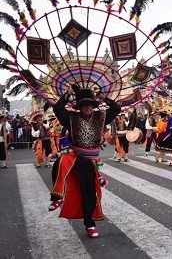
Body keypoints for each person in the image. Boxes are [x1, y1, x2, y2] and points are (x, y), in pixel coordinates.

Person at [50, 84, 121, 238]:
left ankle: (89, 223)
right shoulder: (71, 118)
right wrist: (67, 94)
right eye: (84, 105)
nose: (88, 108)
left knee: (88, 192)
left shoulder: (101, 117)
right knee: (59, 164)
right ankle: (57, 197)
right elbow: (58, 109)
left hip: (90, 161)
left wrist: (103, 97)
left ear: (93, 106)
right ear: (79, 107)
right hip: (77, 156)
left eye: (90, 105)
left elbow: (116, 109)